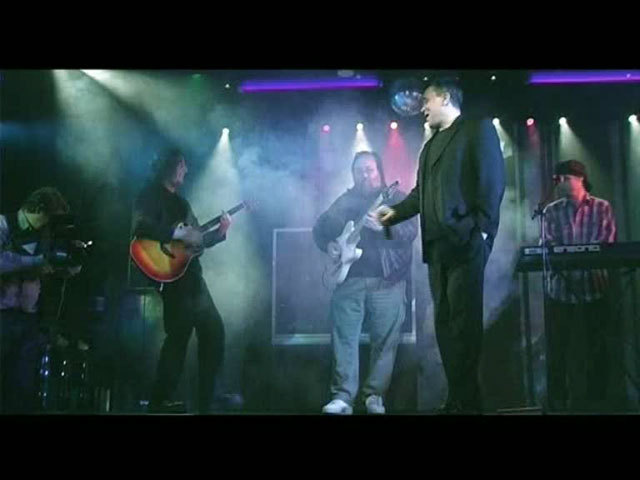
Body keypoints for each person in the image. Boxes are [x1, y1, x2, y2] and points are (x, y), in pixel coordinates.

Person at [378, 77, 505, 414]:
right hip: (436, 249)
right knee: (445, 326)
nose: (422, 108)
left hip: (465, 243)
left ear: (445, 98)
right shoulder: (430, 146)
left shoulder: (476, 130)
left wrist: (482, 233)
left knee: (464, 324)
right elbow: (420, 194)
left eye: (427, 101)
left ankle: (466, 400)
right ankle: (461, 398)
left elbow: (492, 182)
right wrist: (395, 213)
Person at [313, 151, 417, 414]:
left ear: (379, 172)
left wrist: (383, 227)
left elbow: (410, 231)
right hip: (350, 280)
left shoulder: (393, 199)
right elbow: (319, 228)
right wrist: (329, 245)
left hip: (387, 281)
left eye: (369, 170)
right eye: (359, 171)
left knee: (385, 342)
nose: (365, 175)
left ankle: (374, 396)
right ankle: (343, 397)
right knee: (344, 339)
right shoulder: (344, 201)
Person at [132, 148, 231, 414]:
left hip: (192, 277)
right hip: (172, 279)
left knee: (212, 332)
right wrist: (173, 233)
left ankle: (207, 399)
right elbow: (140, 227)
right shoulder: (150, 195)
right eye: (182, 165)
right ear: (169, 166)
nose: (186, 170)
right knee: (179, 337)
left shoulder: (183, 204)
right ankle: (161, 400)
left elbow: (196, 241)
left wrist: (220, 233)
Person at [541, 159, 618, 412]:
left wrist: (584, 262)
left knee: (597, 347)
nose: (561, 184)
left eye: (566, 179)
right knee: (557, 349)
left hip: (593, 289)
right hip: (560, 291)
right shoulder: (551, 211)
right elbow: (548, 245)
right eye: (558, 180)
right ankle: (558, 402)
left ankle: (598, 402)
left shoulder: (601, 208)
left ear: (580, 178)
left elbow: (606, 243)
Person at [1, 187, 80, 413]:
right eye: (49, 218)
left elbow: (51, 265)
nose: (50, 224)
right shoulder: (3, 224)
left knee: (23, 385)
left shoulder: (46, 235)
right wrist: (37, 261)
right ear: (39, 210)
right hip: (2, 316)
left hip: (29, 319)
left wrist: (66, 267)